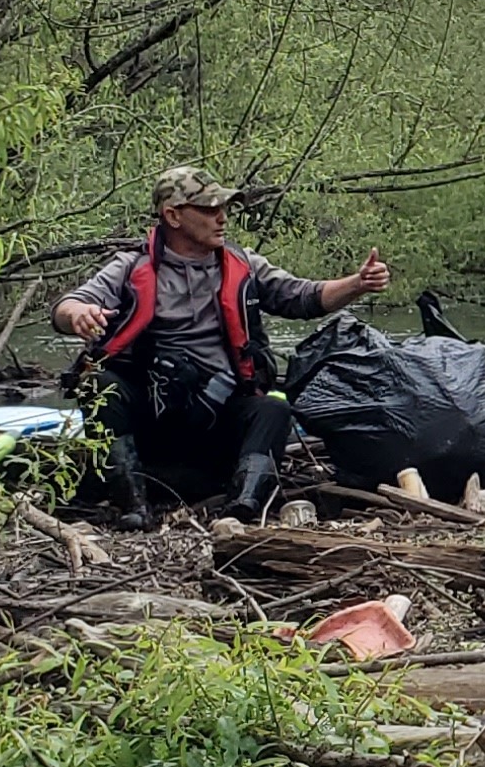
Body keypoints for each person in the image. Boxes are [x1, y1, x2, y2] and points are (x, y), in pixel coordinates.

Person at [53, 166, 392, 522]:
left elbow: (303, 297)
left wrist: (357, 283)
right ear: (173, 216)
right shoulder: (130, 267)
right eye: (209, 209)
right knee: (97, 385)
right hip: (151, 421)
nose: (222, 218)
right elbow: (66, 307)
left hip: (217, 421)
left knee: (273, 409)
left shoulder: (243, 264)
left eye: (223, 208)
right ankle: (132, 504)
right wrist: (78, 314)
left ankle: (243, 505)